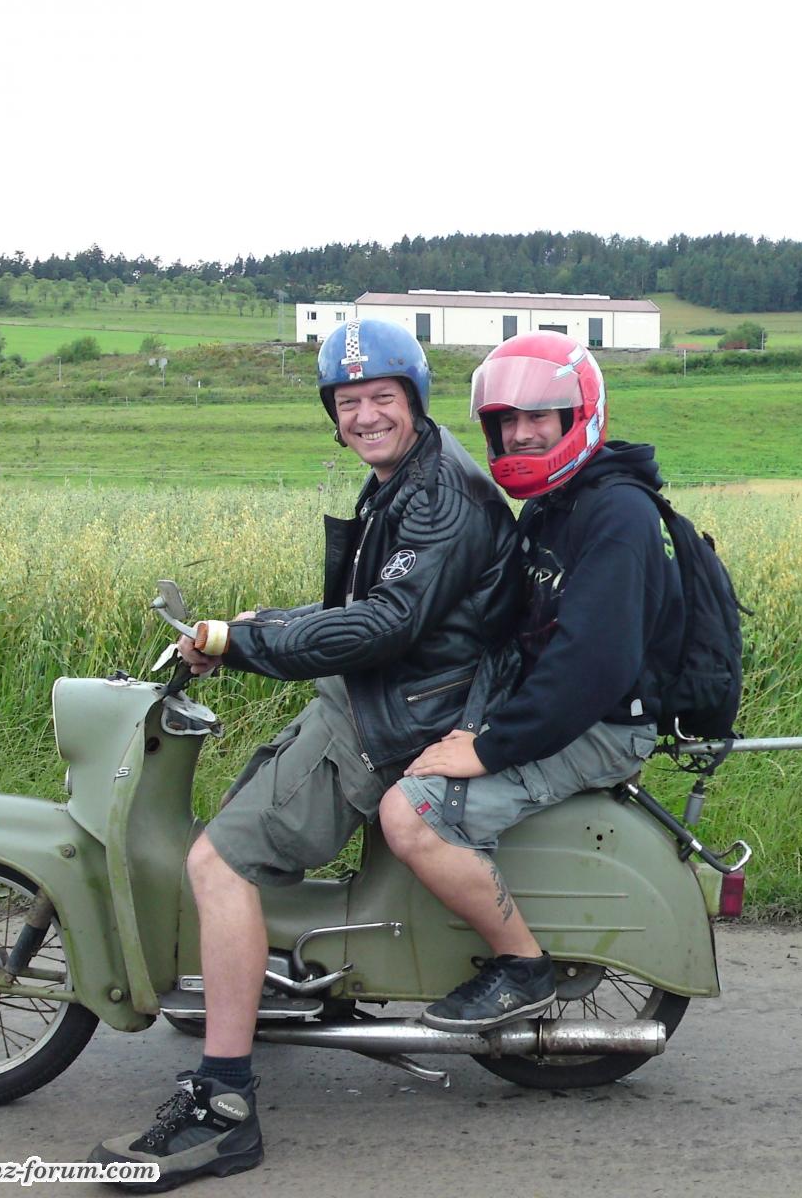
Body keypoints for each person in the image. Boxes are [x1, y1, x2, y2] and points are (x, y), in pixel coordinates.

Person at [93, 319, 520, 1189]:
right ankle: (264, 987)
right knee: (236, 832)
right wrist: (259, 625)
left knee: (221, 863)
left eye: (381, 398)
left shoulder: (438, 496)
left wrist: (243, 645)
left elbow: (385, 625)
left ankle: (223, 1105)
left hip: (396, 714)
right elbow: (373, 606)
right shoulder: (406, 476)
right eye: (347, 402)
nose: (365, 416)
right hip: (389, 692)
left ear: (414, 400)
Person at [378, 329, 684, 1031]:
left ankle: (522, 968)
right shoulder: (555, 504)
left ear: (579, 415)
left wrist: (489, 749)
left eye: (538, 416)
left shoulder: (617, 514)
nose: (519, 434)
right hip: (557, 709)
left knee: (411, 813)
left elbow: (591, 667)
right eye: (505, 420)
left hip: (605, 723)